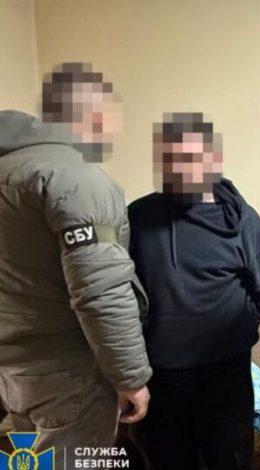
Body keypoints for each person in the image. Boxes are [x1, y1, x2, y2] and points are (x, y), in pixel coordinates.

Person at [0, 62, 151, 467]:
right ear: (94, 114)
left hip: (14, 372)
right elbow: (101, 289)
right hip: (69, 374)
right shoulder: (77, 179)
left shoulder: (10, 170)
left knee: (30, 463)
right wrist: (130, 377)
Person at [128, 113, 260, 470]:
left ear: (213, 160)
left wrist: (234, 333)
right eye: (171, 158)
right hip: (161, 378)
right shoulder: (138, 218)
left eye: (190, 157)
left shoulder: (243, 220)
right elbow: (122, 294)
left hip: (225, 376)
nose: (180, 168)